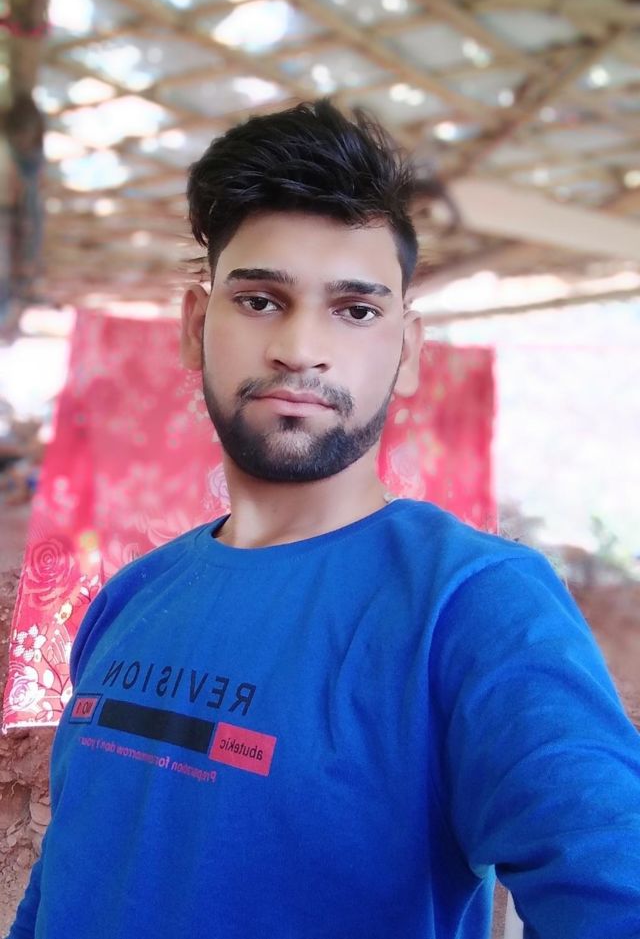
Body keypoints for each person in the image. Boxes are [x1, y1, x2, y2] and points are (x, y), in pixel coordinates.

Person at [8, 100, 640, 939]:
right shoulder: (131, 597)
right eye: (260, 300)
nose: (300, 347)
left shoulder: (474, 607)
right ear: (196, 326)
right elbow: (67, 876)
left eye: (356, 309)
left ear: (407, 351)